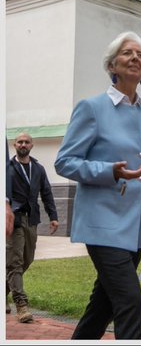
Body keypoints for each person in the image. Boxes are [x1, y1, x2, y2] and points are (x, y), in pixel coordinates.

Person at [55, 32, 141, 340]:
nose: (135, 57)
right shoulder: (92, 108)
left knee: (103, 306)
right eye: (127, 53)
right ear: (113, 65)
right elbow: (65, 162)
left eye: (140, 54)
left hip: (135, 230)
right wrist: (111, 172)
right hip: (101, 225)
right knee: (129, 302)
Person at [7, 133, 60, 323]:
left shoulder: (38, 168)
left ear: (32, 145)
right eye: (20, 142)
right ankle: (21, 305)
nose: (23, 144)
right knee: (15, 262)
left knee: (27, 260)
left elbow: (46, 192)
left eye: (26, 142)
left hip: (32, 220)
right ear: (14, 145)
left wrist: (53, 216)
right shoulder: (7, 168)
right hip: (14, 220)